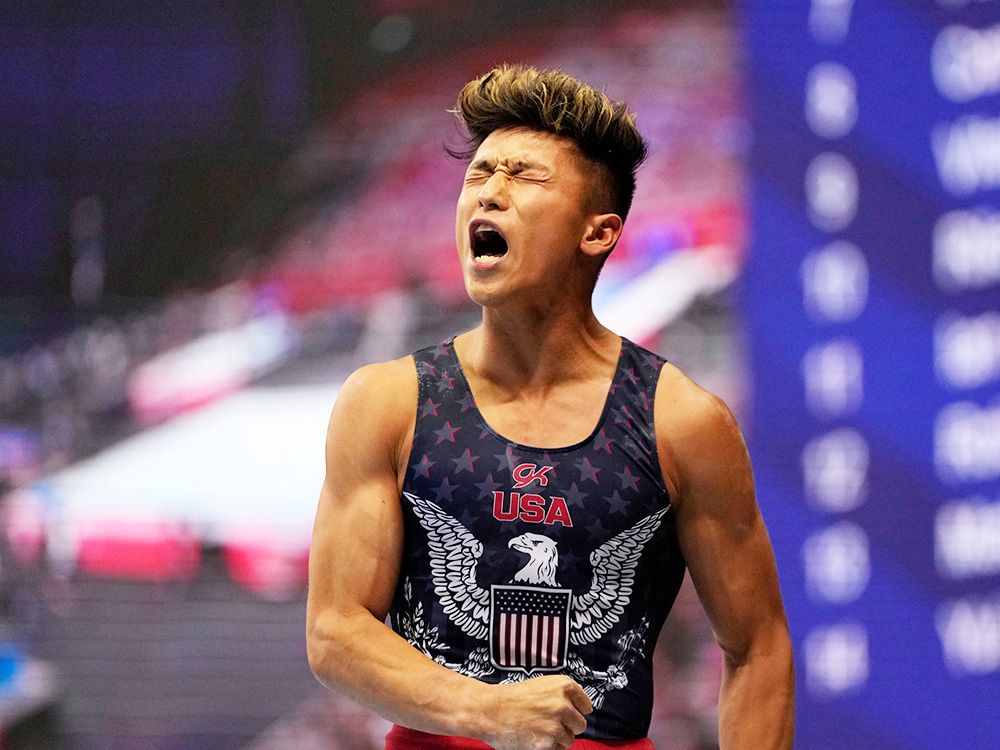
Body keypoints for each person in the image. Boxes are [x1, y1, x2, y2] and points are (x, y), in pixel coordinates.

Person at [306, 65, 794, 750]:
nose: (489, 194)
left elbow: (759, 648)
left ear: (597, 233)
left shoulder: (681, 421)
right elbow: (336, 632)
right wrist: (485, 709)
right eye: (479, 175)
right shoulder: (387, 402)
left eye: (524, 177)